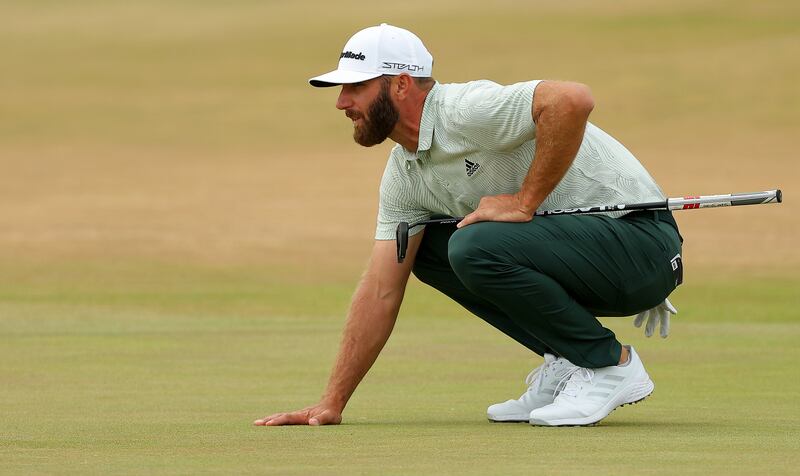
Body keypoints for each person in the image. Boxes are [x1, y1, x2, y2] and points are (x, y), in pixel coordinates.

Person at [254, 23, 683, 427]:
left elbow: (571, 99)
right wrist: (332, 403)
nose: (342, 102)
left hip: (640, 243)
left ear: (401, 84)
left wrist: (523, 201)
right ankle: (568, 358)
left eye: (356, 87)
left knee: (473, 246)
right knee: (429, 250)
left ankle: (608, 364)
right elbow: (382, 287)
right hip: (593, 254)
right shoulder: (405, 175)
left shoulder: (464, 109)